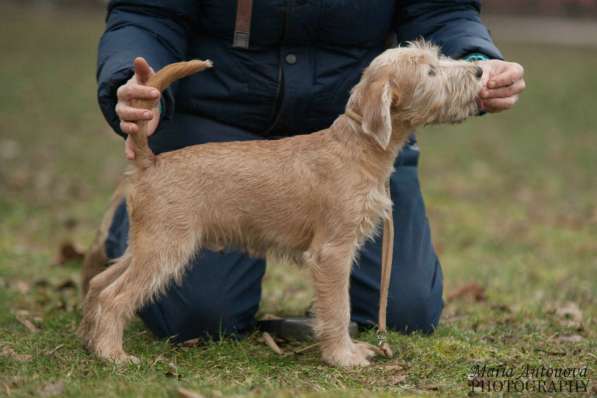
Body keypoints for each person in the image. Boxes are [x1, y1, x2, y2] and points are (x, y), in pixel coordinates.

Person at [96, 0, 525, 343]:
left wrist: (477, 56)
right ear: (382, 106)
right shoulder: (376, 105)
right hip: (216, 124)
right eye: (432, 70)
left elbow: (443, 9)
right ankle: (134, 225)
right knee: (198, 317)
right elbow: (147, 11)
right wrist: (132, 80)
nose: (447, 71)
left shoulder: (373, 127)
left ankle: (139, 236)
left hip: (342, 121)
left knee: (406, 313)